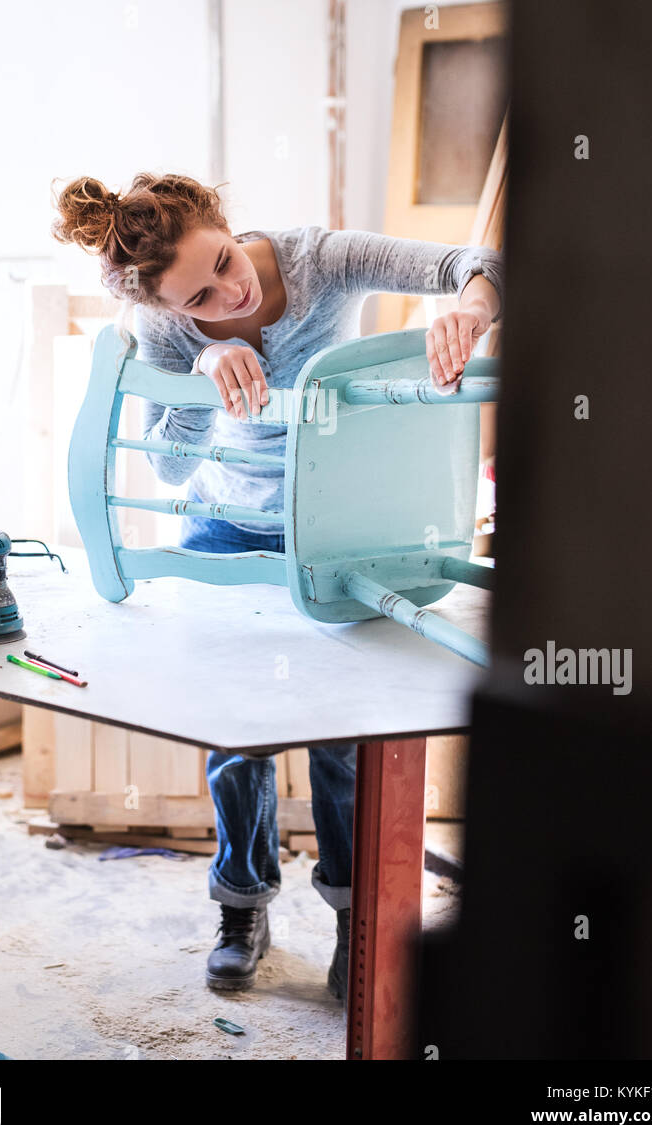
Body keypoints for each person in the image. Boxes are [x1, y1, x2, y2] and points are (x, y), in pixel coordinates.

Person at [53, 171, 503, 1000]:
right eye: (202, 297)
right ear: (168, 304)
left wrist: (470, 312)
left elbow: (480, 262)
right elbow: (172, 465)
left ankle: (352, 919)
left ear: (228, 223)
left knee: (340, 739)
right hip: (225, 526)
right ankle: (242, 906)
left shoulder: (322, 260)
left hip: (337, 523)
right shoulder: (167, 326)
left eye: (225, 261)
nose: (232, 290)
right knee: (236, 735)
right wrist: (204, 365)